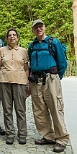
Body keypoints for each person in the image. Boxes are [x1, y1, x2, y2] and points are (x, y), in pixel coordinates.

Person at [28, 19, 69, 153]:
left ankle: (61, 139)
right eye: (36, 27)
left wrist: (57, 78)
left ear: (44, 28)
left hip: (51, 79)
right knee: (39, 110)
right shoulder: (32, 46)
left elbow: (62, 63)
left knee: (56, 108)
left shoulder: (53, 42)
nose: (39, 29)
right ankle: (48, 136)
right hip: (36, 81)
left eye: (41, 26)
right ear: (33, 30)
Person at [0, 28, 29, 145]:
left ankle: (22, 134)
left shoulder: (23, 51)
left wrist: (27, 84)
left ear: (17, 37)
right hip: (4, 82)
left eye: (14, 35)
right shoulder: (2, 50)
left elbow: (26, 69)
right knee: (7, 110)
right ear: (7, 38)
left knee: (21, 110)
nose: (12, 37)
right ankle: (10, 134)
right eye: (10, 35)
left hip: (20, 83)